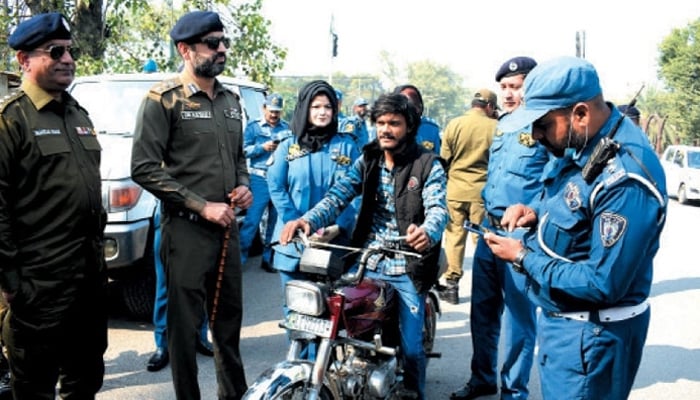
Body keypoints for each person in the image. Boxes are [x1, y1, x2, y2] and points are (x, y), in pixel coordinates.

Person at [485, 56, 667, 400]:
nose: (535, 135)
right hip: (569, 329)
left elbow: (603, 283)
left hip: (590, 335)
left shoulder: (625, 178)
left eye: (541, 124)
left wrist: (523, 256)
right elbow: (573, 198)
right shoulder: (588, 141)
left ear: (580, 114)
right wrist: (534, 211)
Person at [279, 93, 448, 400]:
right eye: (381, 123)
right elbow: (338, 195)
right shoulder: (368, 158)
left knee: (411, 349)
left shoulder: (427, 164)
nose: (386, 129)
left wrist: (427, 231)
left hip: (407, 262)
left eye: (394, 123)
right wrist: (307, 220)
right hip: (367, 260)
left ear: (409, 127)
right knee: (340, 319)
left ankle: (414, 393)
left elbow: (438, 208)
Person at [131, 10, 251, 399]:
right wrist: (202, 206)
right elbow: (144, 169)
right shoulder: (163, 101)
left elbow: (239, 159)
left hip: (227, 229)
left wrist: (244, 186)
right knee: (183, 331)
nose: (221, 50)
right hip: (185, 229)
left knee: (228, 325)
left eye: (223, 42)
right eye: (212, 44)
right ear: (185, 49)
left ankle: (233, 394)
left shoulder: (232, 100)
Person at [0, 12, 108, 398]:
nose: (67, 59)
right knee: (34, 387)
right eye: (55, 51)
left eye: (70, 51)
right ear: (24, 60)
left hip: (88, 282)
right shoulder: (10, 120)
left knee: (85, 380)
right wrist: (12, 282)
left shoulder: (78, 114)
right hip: (39, 285)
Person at [451, 56, 546, 400]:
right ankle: (482, 379)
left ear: (531, 87)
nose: (507, 94)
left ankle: (514, 391)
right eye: (503, 87)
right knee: (483, 313)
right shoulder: (503, 124)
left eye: (515, 87)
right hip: (487, 232)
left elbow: (554, 184)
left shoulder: (544, 126)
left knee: (519, 320)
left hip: (520, 236)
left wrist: (533, 213)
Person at [267, 80, 360, 343]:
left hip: (333, 244)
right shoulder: (287, 145)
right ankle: (300, 370)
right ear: (305, 108)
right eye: (316, 106)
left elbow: (356, 192)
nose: (322, 112)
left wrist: (338, 226)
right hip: (293, 244)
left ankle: (323, 376)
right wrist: (293, 221)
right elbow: (276, 186)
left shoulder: (347, 146)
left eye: (328, 107)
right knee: (297, 316)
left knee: (328, 315)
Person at [437, 89, 498, 305]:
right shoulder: (496, 127)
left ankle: (452, 286)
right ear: (490, 106)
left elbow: (443, 159)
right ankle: (487, 286)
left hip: (455, 190)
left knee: (454, 237)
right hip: (481, 192)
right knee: (482, 238)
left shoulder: (454, 124)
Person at [146, 206, 214, 373]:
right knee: (165, 285)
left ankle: (200, 335)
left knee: (201, 282)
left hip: (202, 219)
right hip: (170, 218)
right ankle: (162, 344)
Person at [239, 93, 291, 273]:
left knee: (275, 223)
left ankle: (268, 258)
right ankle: (240, 259)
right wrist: (262, 147)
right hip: (259, 179)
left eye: (277, 112)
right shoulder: (254, 127)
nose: (274, 115)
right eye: (271, 111)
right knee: (251, 221)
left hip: (278, 179)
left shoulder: (286, 128)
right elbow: (243, 151)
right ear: (264, 108)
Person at [393, 84, 441, 154]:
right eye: (407, 105)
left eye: (415, 105)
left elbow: (436, 156)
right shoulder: (384, 129)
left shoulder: (431, 129)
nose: (412, 110)